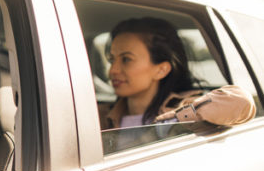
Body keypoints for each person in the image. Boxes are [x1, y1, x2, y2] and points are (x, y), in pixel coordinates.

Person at [98, 17, 256, 129]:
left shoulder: (182, 107)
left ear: (161, 69)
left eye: (126, 59)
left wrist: (176, 121)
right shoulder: (98, 116)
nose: (113, 70)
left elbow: (241, 101)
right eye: (112, 60)